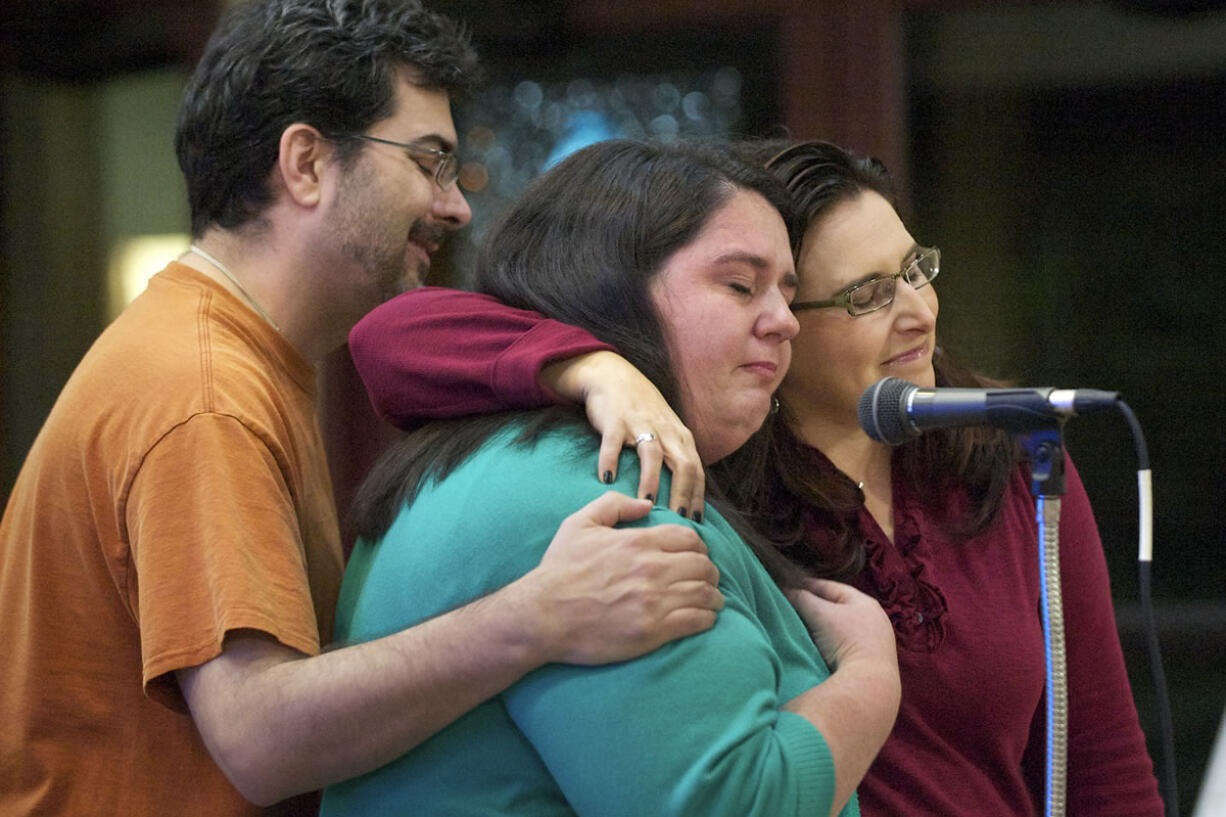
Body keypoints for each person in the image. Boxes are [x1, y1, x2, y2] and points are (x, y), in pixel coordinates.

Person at [0, 2, 724, 814]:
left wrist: (588, 367)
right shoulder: (205, 393)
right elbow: (260, 738)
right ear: (306, 163)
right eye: (429, 161)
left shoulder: (226, 353)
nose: (456, 207)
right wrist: (541, 615)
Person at [346, 139, 1164, 817]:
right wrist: (592, 367)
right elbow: (393, 335)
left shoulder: (1004, 454)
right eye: (867, 293)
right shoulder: (701, 466)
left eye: (918, 270)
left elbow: (1102, 759)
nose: (917, 310)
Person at [321, 139, 901, 817]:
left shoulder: (508, 451)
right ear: (612, 285)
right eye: (741, 285)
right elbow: (735, 804)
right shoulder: (609, 492)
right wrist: (870, 676)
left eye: (786, 293)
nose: (783, 322)